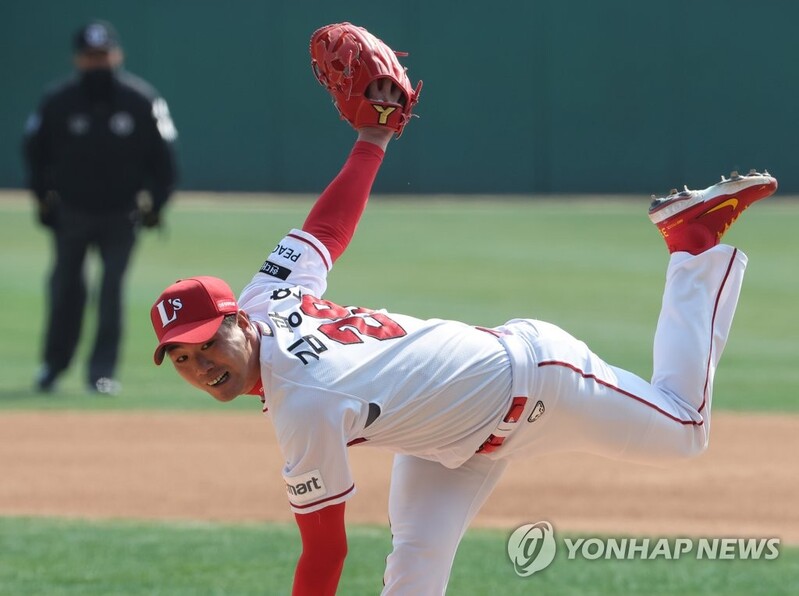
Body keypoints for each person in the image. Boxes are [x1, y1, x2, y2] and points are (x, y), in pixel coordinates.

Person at [150, 78, 776, 593]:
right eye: (181, 357)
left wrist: (372, 138)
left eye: (207, 341)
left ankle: (691, 245)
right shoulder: (267, 295)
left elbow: (325, 552)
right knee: (415, 573)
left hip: (535, 380)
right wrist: (372, 138)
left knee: (686, 431)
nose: (201, 363)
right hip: (444, 439)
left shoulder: (303, 402)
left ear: (236, 319)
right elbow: (327, 229)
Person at [24, 19, 178, 395]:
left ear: (117, 54)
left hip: (120, 214)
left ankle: (101, 373)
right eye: (91, 56)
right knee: (65, 289)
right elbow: (34, 151)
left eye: (103, 54)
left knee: (111, 292)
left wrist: (156, 204)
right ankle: (53, 366)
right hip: (72, 211)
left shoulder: (141, 100)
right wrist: (42, 198)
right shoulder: (57, 101)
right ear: (79, 59)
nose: (98, 62)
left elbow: (165, 158)